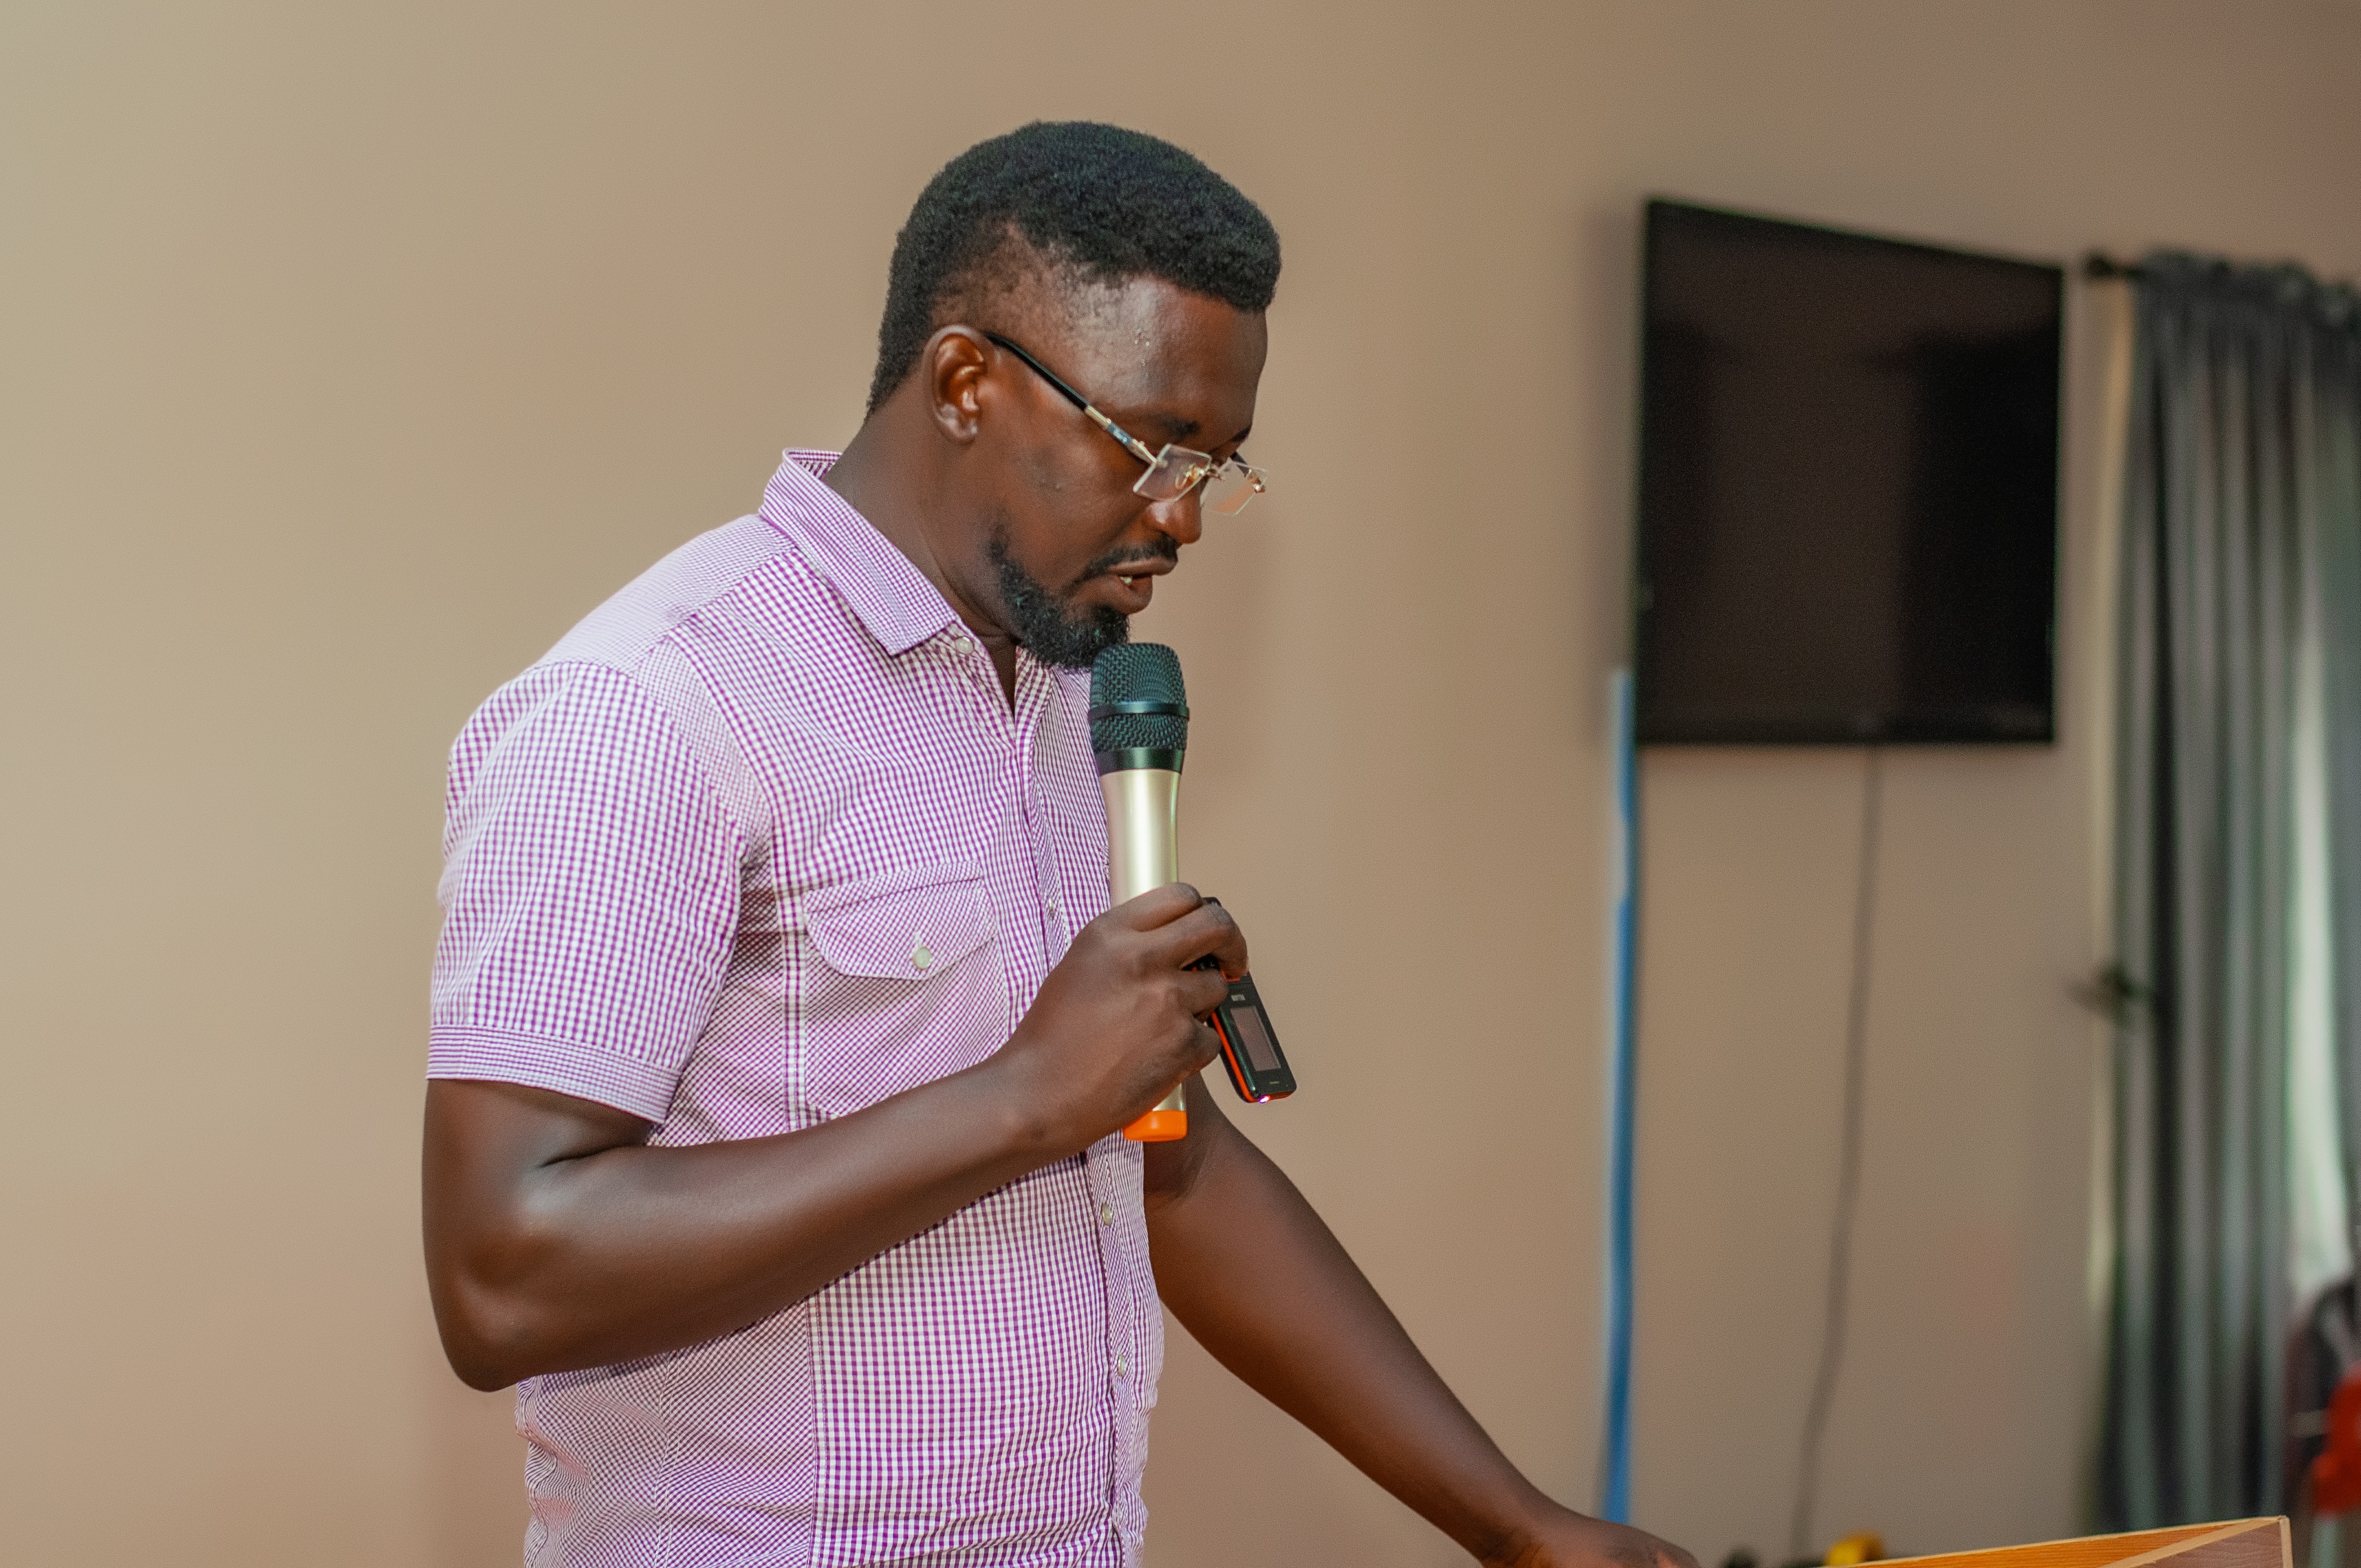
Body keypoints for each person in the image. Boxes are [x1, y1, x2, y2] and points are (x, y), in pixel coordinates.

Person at [423, 120, 1696, 1568]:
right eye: (1153, 448)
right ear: (966, 382)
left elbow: (1168, 1165)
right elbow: (504, 1277)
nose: (1183, 518)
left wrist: (1519, 1528)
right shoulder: (650, 708)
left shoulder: (1070, 688)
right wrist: (1026, 1097)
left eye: (1217, 465)